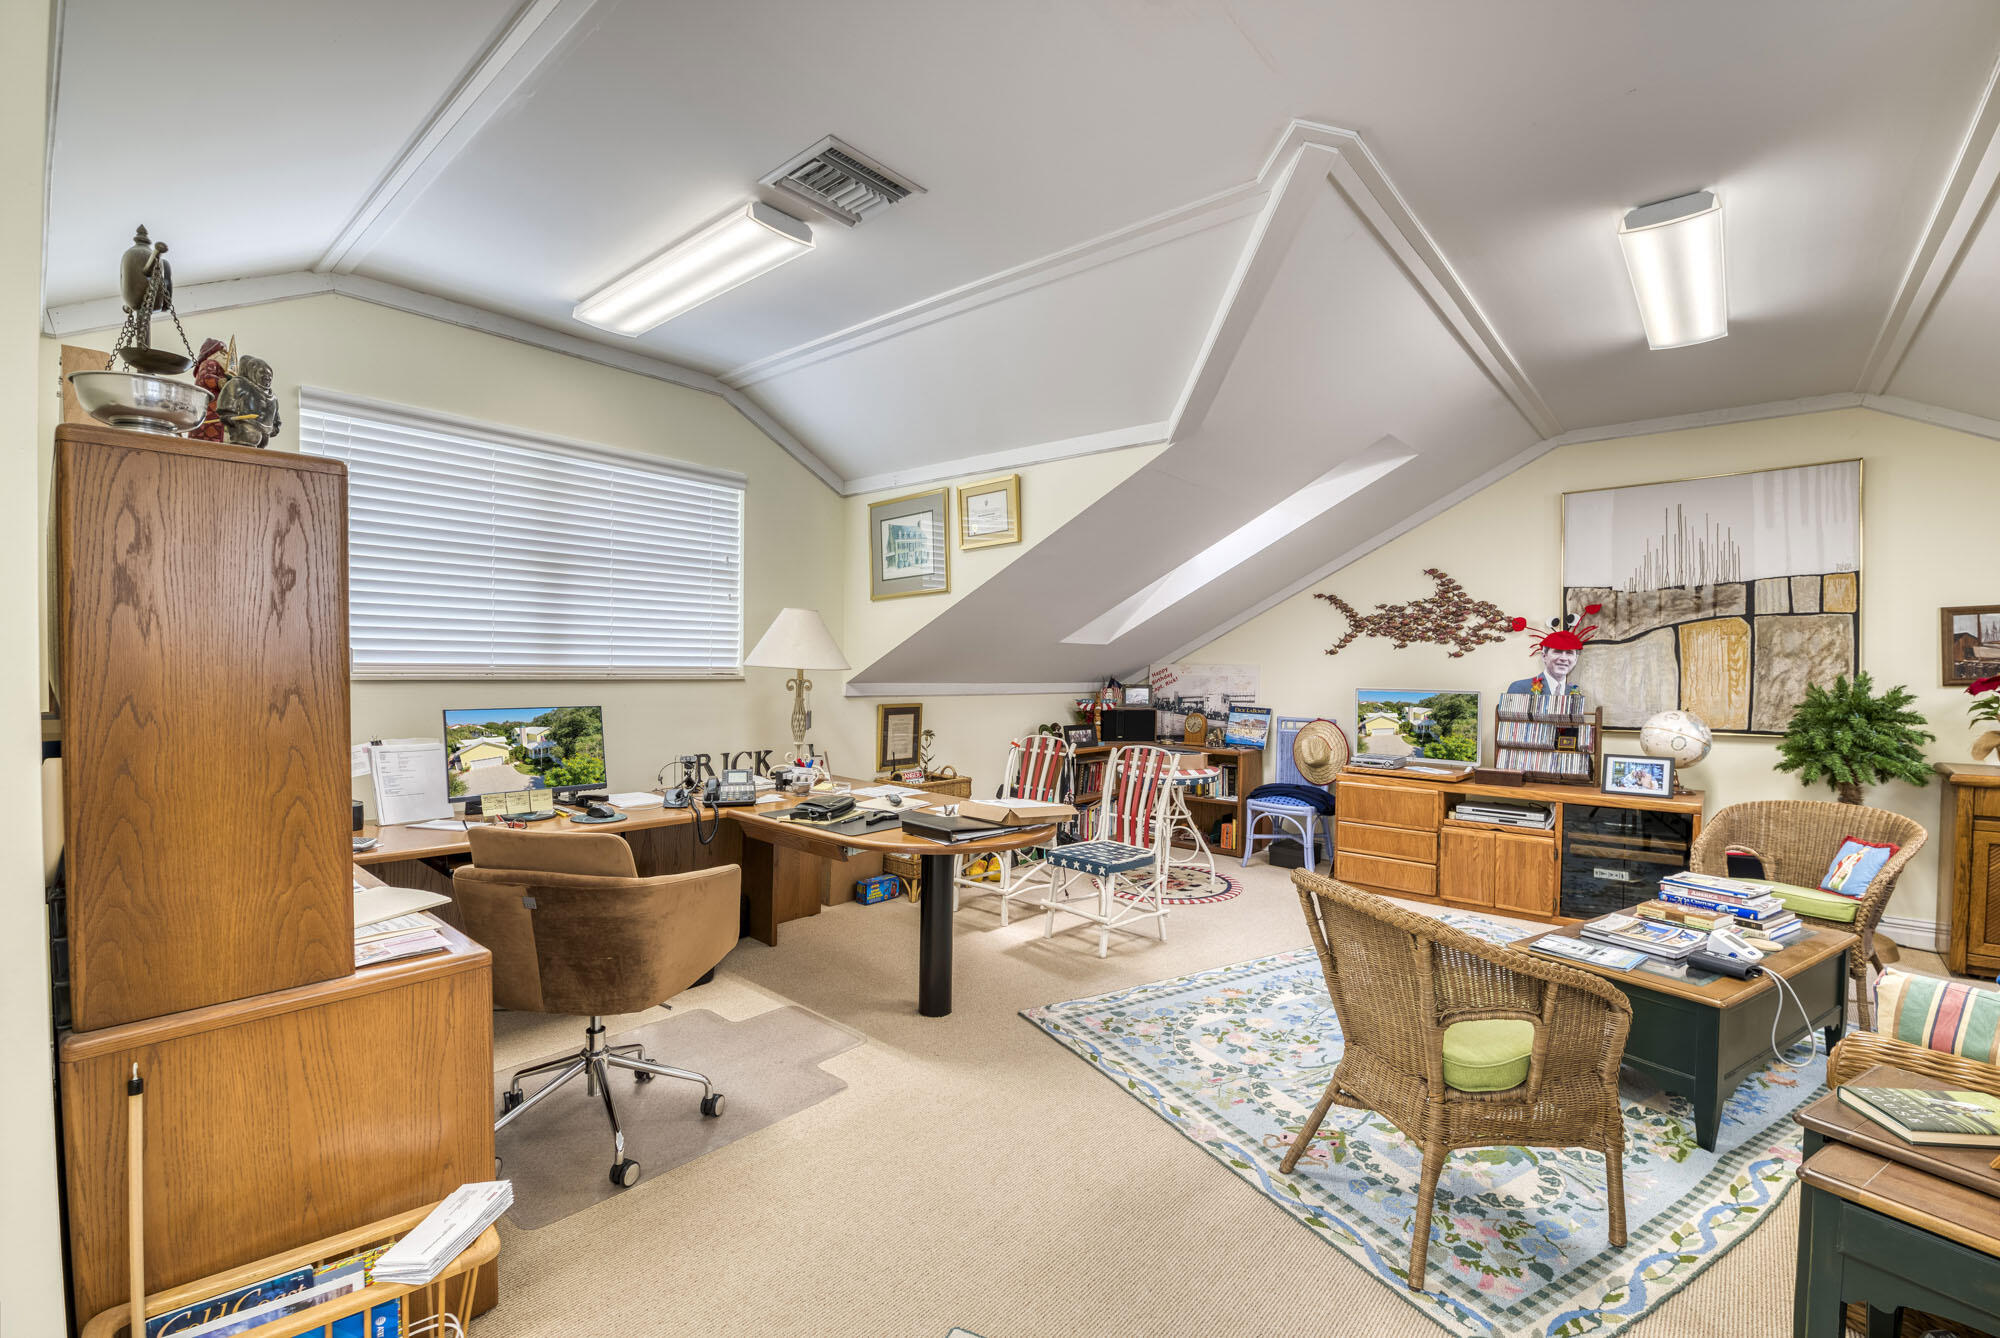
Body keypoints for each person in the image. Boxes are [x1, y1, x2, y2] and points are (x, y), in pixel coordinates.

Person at [1504, 605, 1602, 698]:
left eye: (1569, 653)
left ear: (1575, 659)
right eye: (1558, 651)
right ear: (1544, 656)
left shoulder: (1575, 694)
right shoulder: (1520, 689)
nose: (1564, 658)